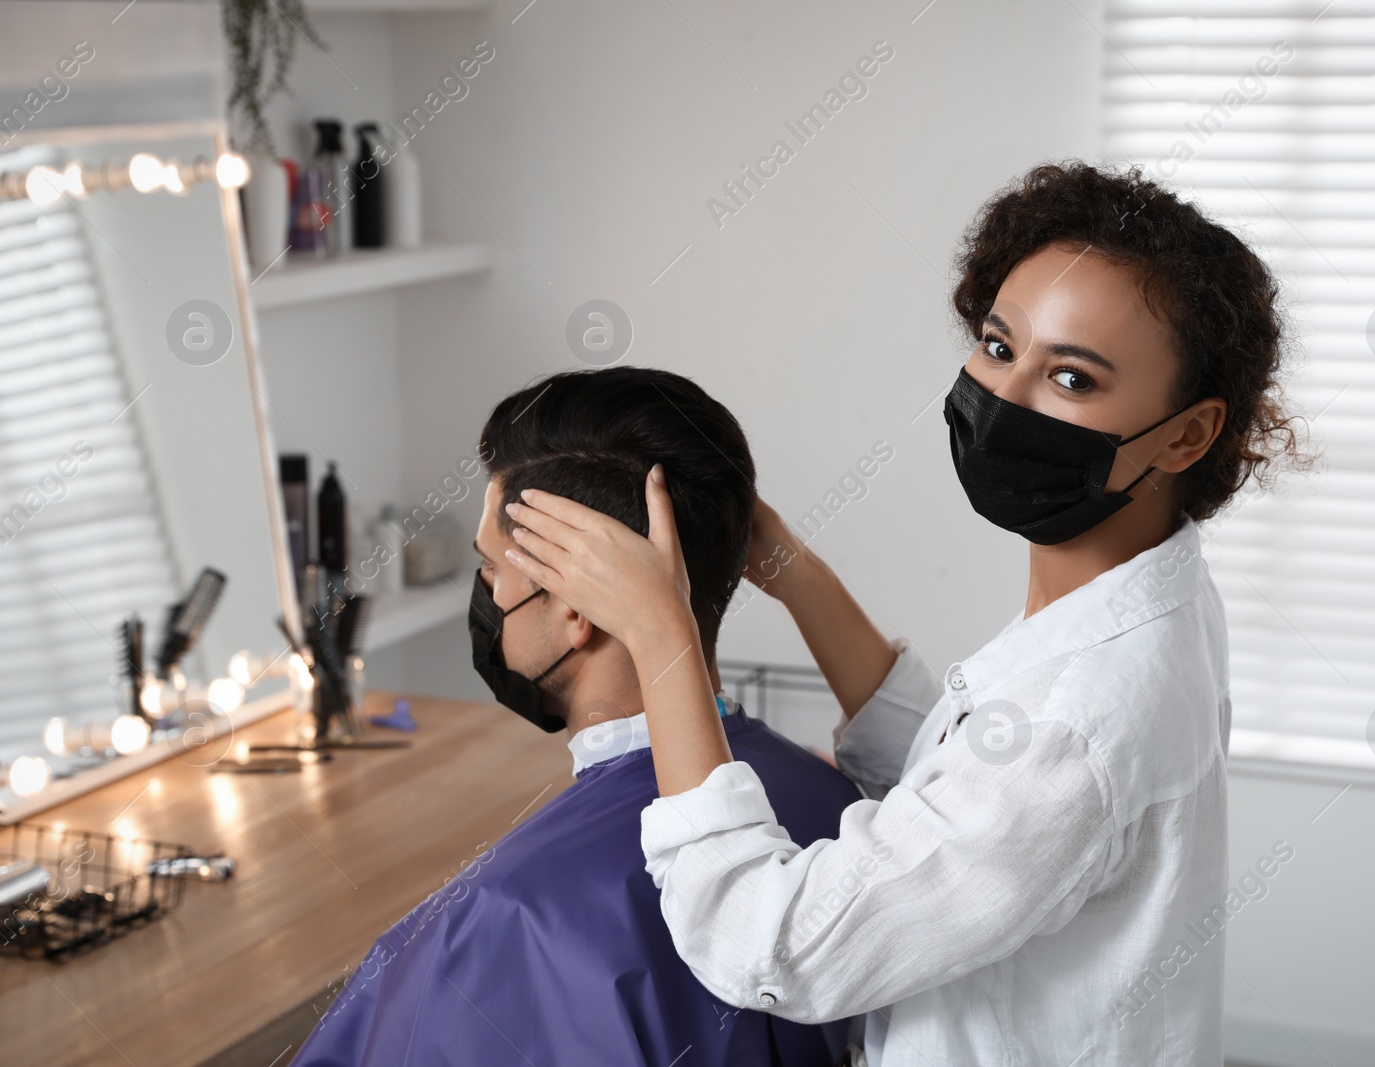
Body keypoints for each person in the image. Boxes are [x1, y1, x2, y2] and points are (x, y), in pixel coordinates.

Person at [500, 162, 1310, 1065]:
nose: (1003, 397)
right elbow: (964, 767)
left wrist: (663, 636)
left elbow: (773, 948)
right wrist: (793, 571)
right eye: (999, 347)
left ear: (1188, 433)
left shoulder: (1080, 720)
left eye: (1073, 379)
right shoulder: (1148, 597)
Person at [291, 368, 865, 1067]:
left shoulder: (511, 913)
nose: (484, 596)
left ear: (573, 608)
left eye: (492, 572)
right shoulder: (833, 795)